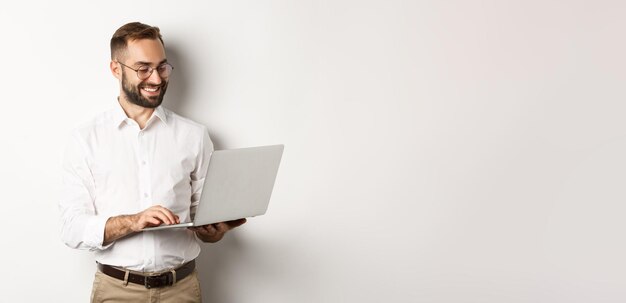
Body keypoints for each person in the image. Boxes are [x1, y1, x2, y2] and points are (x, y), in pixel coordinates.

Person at [59, 22, 246, 303]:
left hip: (181, 290)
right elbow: (71, 228)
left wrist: (213, 231)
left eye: (162, 67)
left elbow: (201, 215)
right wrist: (133, 221)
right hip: (115, 291)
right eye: (143, 68)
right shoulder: (86, 139)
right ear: (116, 69)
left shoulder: (194, 135)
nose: (157, 79)